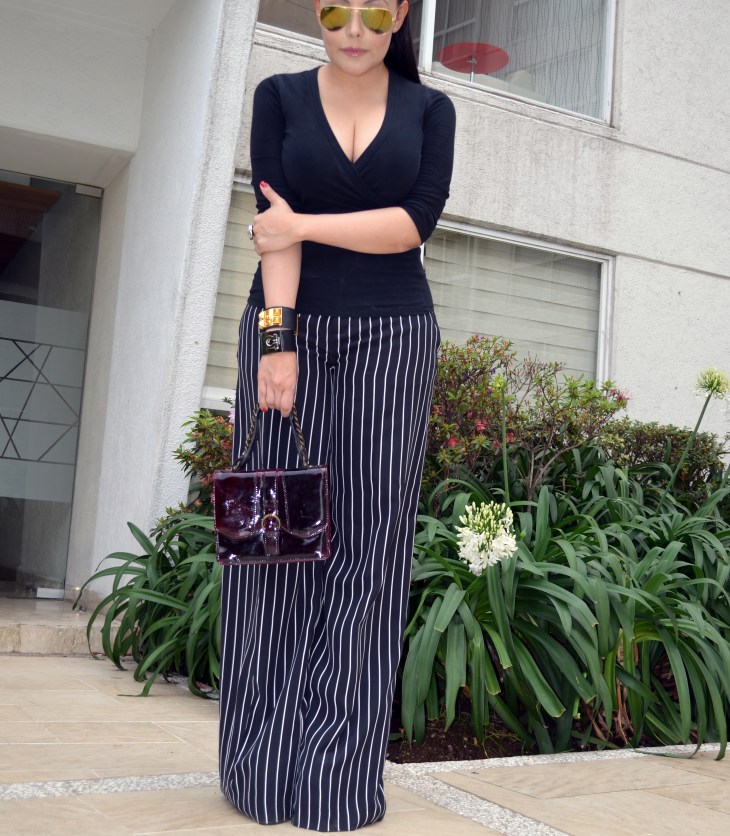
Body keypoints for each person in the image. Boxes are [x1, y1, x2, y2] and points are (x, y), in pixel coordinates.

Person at [219, 1, 455, 830]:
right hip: (286, 331)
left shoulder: (430, 109)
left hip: (395, 336)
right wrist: (276, 342)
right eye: (334, 10)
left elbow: (412, 225)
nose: (354, 30)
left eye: (373, 12)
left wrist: (303, 223)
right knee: (272, 542)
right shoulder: (279, 96)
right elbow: (269, 229)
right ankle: (258, 771)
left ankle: (336, 785)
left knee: (370, 551)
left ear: (400, 16)